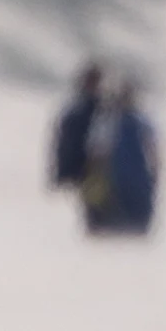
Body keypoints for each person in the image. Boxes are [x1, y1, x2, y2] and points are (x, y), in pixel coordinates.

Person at [90, 80, 161, 238]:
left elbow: (98, 151)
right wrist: (156, 172)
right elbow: (153, 148)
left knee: (116, 215)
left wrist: (96, 174)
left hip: (118, 174)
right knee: (137, 218)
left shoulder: (108, 121)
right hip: (138, 175)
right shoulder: (143, 120)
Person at [47, 63, 106, 220]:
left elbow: (60, 138)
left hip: (82, 160)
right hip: (83, 160)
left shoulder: (76, 107)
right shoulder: (86, 107)